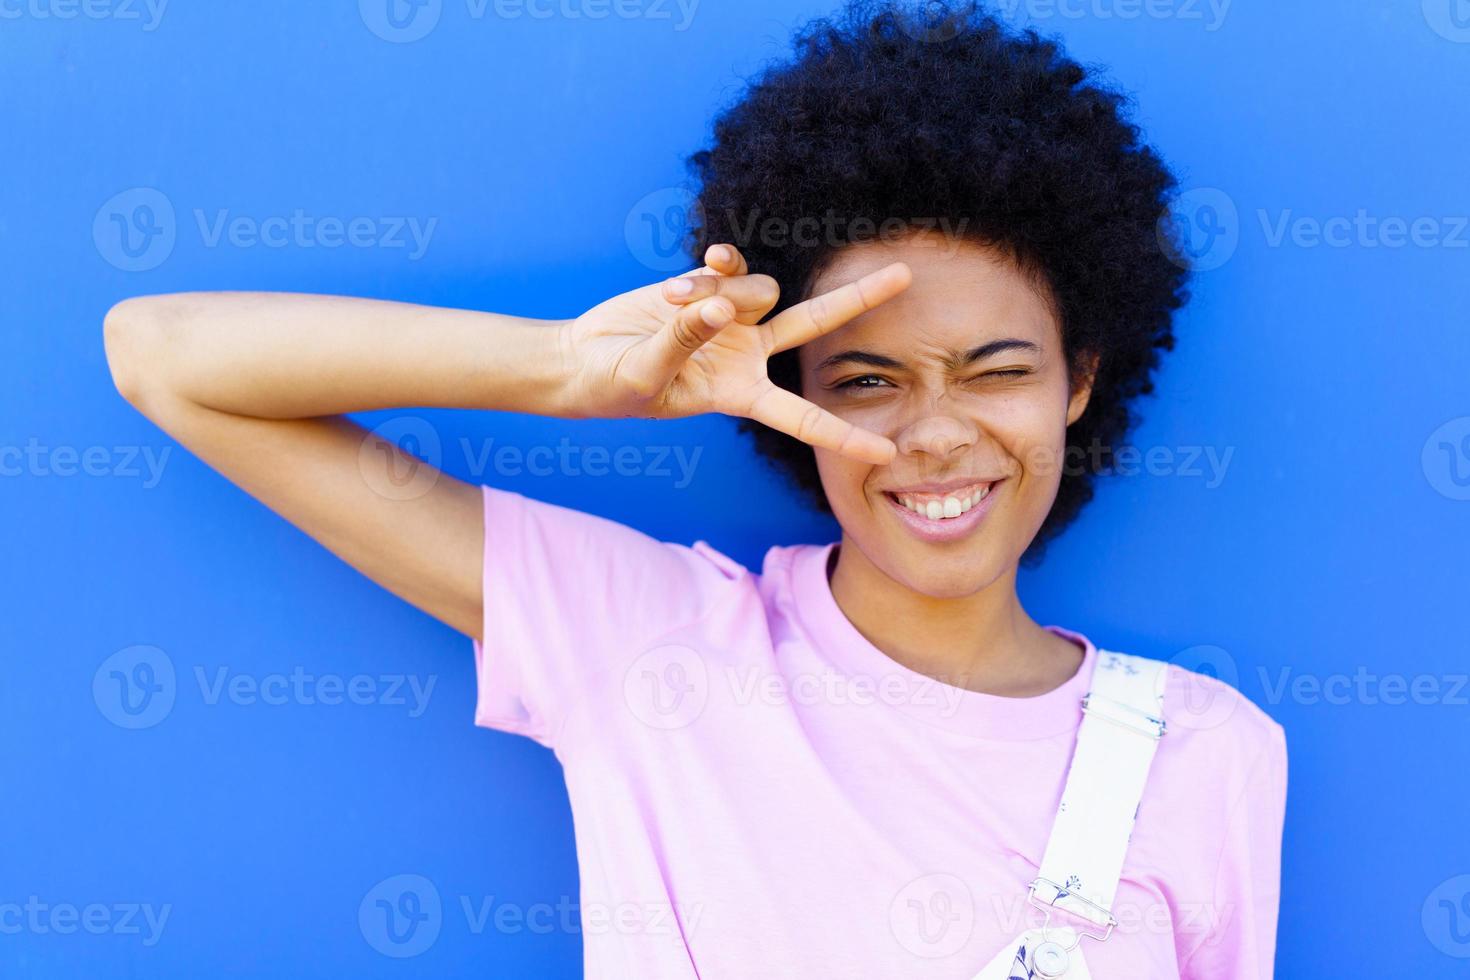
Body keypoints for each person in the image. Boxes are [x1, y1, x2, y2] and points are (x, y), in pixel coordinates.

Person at [102, 1, 1286, 976]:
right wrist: (564, 368)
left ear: (1080, 379)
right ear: (784, 391)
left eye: (997, 370)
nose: (934, 434)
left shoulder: (1207, 749)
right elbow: (162, 355)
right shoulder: (646, 642)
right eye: (867, 379)